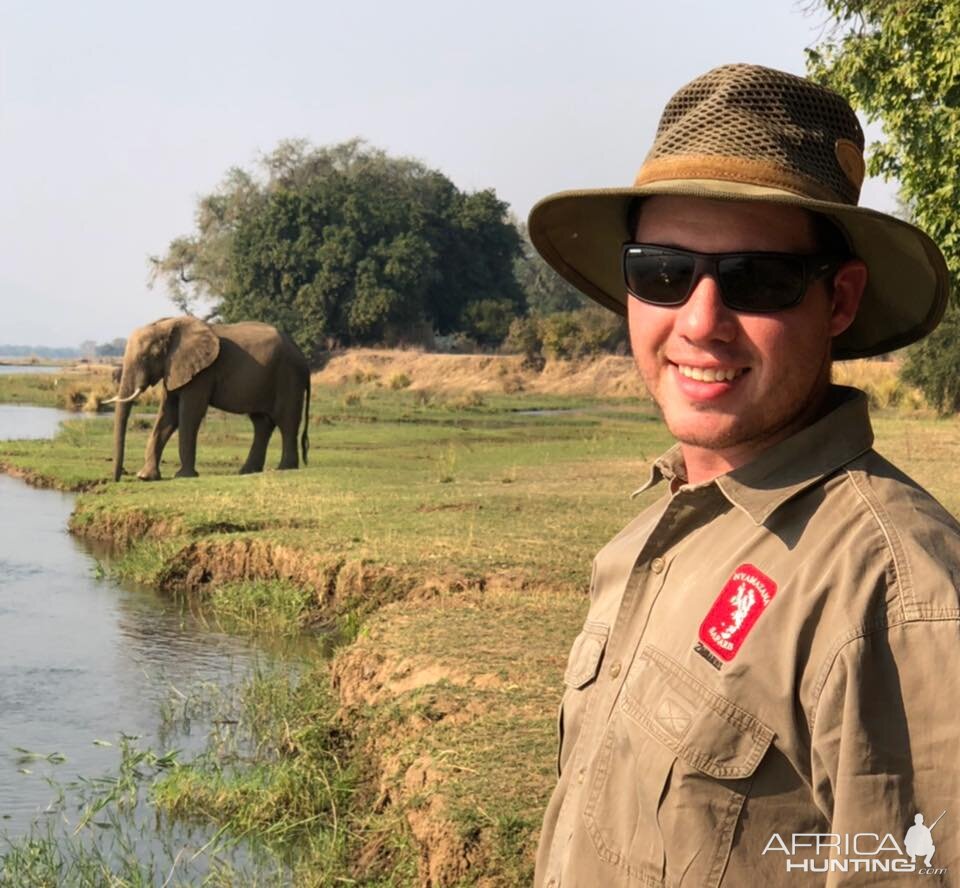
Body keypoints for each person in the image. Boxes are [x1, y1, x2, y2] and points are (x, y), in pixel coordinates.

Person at [527, 63, 959, 887]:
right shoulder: (650, 537)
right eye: (663, 272)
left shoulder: (895, 598)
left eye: (756, 281)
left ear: (838, 302)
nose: (699, 322)